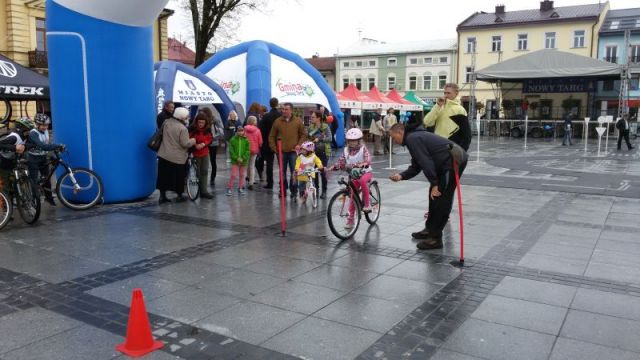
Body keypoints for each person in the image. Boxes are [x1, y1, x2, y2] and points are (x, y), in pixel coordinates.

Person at [388, 123, 468, 250]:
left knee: (441, 197)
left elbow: (426, 162)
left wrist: (436, 184)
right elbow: (416, 165)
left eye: (393, 137)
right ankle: (429, 230)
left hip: (453, 161)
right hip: (444, 163)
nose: (394, 141)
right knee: (434, 195)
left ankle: (435, 239)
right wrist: (401, 176)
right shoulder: (413, 138)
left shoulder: (412, 138)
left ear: (400, 132)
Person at [328, 128, 373, 229]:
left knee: (362, 180)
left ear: (359, 140)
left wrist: (364, 163)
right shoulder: (346, 150)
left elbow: (368, 158)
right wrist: (334, 167)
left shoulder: (363, 149)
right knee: (352, 196)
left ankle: (367, 204)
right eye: (350, 141)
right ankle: (350, 220)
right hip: (353, 175)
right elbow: (341, 161)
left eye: (354, 140)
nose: (352, 143)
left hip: (366, 172)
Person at [157, 107, 196, 204]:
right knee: (178, 177)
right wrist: (193, 140)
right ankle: (179, 195)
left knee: (163, 176)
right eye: (186, 116)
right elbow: (185, 143)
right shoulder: (183, 128)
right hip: (177, 157)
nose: (187, 118)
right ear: (182, 117)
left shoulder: (166, 122)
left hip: (164, 154)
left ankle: (162, 196)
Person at [268, 102, 306, 199]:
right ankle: (283, 190)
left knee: (294, 172)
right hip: (281, 152)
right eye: (283, 109)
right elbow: (271, 136)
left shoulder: (298, 121)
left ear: (291, 110)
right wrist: (274, 148)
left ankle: (294, 190)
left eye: (286, 109)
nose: (283, 111)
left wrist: (299, 144)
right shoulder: (277, 121)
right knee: (282, 172)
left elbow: (303, 134)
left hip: (294, 151)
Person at [28, 114, 64, 205]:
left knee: (47, 178)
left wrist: (54, 153)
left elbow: (48, 144)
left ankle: (49, 198)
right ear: (37, 124)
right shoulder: (33, 133)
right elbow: (42, 146)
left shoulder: (46, 131)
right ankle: (34, 200)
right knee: (34, 180)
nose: (45, 127)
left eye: (47, 125)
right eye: (43, 125)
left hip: (43, 157)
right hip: (33, 158)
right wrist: (57, 145)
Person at [0, 118, 33, 192]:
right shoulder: (14, 137)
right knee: (6, 184)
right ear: (21, 129)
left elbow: (31, 144)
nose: (29, 132)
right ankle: (6, 202)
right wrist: (15, 147)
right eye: (27, 129)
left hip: (12, 161)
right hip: (3, 161)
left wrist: (25, 147)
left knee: (14, 182)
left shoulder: (25, 137)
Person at [188, 112, 214, 199]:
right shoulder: (192, 129)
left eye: (202, 122)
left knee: (205, 171)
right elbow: (188, 138)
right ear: (196, 122)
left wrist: (203, 144)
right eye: (199, 122)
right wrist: (195, 145)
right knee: (197, 172)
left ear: (205, 122)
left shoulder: (208, 129)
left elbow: (210, 138)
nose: (200, 124)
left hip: (205, 152)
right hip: (195, 153)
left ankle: (204, 191)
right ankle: (197, 191)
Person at [307, 110, 332, 198]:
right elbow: (308, 138)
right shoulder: (310, 127)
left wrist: (320, 139)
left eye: (313, 117)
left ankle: (324, 191)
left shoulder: (325, 127)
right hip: (314, 153)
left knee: (322, 171)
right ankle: (316, 190)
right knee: (314, 172)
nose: (311, 118)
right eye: (311, 117)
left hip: (324, 152)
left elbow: (330, 138)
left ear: (318, 118)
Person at [198, 108, 224, 187]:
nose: (202, 115)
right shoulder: (200, 120)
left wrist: (213, 138)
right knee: (201, 160)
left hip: (213, 143)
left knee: (213, 160)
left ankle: (212, 178)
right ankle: (200, 178)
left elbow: (221, 132)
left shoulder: (215, 120)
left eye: (203, 113)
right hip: (203, 143)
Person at [259, 98, 280, 189]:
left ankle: (270, 182)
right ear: (277, 104)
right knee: (281, 164)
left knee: (269, 164)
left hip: (268, 142)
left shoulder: (266, 116)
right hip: (279, 141)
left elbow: (261, 130)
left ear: (270, 104)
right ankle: (282, 183)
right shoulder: (280, 115)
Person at [227, 126, 250, 196]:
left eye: (242, 131)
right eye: (239, 131)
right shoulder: (233, 140)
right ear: (236, 132)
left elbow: (248, 150)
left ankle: (240, 187)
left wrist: (243, 158)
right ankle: (229, 188)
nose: (240, 132)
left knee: (242, 175)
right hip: (235, 161)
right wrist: (236, 158)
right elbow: (231, 150)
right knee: (233, 175)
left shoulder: (246, 140)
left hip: (244, 161)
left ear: (243, 131)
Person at [243, 115, 263, 190]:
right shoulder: (257, 130)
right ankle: (251, 182)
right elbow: (260, 142)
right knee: (252, 166)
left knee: (245, 165)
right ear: (255, 122)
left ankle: (243, 181)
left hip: (245, 150)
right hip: (254, 150)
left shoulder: (244, 129)